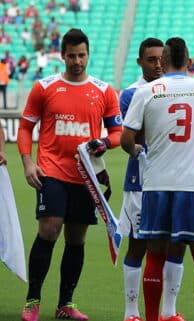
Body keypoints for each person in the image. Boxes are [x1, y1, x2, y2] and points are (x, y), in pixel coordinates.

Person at [17, 28, 123, 321]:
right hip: (51, 171)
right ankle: (32, 300)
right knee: (49, 229)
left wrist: (104, 142)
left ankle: (66, 303)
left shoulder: (103, 90)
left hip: (84, 176)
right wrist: (27, 162)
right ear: (62, 56)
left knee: (76, 239)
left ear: (88, 55)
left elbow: (117, 133)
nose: (77, 61)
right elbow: (26, 128)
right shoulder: (45, 87)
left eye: (82, 55)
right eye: (72, 56)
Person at [121, 37, 194, 321]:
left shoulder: (147, 91)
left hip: (157, 185)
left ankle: (151, 317)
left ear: (162, 62)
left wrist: (138, 150)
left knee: (154, 255)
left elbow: (127, 138)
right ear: (189, 62)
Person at [117, 37, 187, 321]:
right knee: (139, 245)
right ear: (139, 62)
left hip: (173, 180)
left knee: (175, 243)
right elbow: (138, 136)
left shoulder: (174, 89)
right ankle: (131, 312)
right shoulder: (131, 94)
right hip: (140, 183)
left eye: (161, 59)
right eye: (151, 60)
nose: (157, 65)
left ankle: (169, 312)